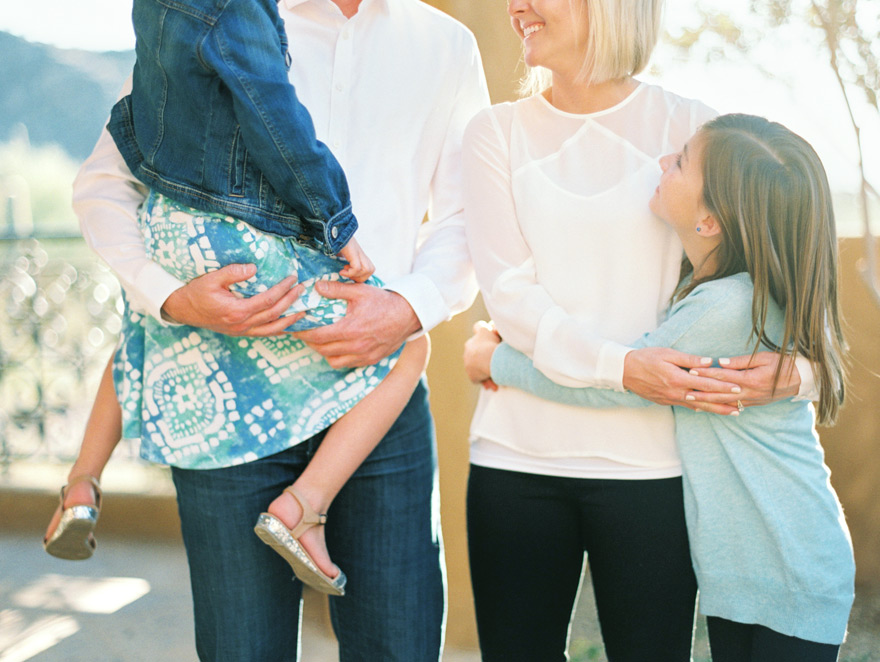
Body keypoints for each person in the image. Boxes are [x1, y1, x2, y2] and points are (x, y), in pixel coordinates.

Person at [68, 0, 490, 659]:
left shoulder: (448, 46)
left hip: (377, 396)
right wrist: (171, 298)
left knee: (401, 646)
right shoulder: (218, 20)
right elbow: (105, 184)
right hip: (229, 394)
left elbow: (468, 218)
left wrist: (408, 309)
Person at [461, 1, 819, 660]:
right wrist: (623, 367)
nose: (519, 6)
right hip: (515, 457)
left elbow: (772, 277)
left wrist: (803, 374)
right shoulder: (493, 132)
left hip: (658, 467)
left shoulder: (692, 126)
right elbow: (510, 299)